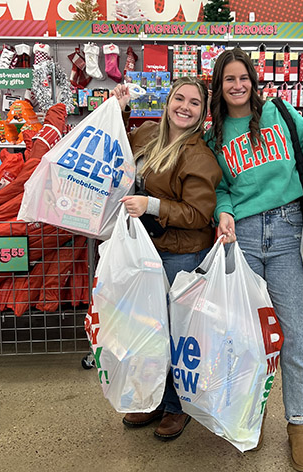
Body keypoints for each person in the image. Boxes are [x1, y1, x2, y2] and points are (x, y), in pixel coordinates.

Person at [206, 48, 303, 472]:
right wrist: (223, 210)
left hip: (287, 231)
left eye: (243, 77)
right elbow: (220, 187)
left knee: (295, 336)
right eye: (228, 79)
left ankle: (299, 424)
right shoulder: (213, 137)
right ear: (219, 85)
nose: (237, 85)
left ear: (253, 79)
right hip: (242, 236)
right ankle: (253, 411)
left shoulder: (281, 112)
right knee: (247, 338)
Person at [112, 77, 222, 441]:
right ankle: (154, 398)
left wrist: (152, 205)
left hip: (181, 254)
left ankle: (177, 408)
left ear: (203, 113)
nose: (184, 107)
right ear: (167, 101)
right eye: (179, 98)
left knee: (177, 335)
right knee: (148, 329)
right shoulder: (145, 133)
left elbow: (198, 214)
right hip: (145, 251)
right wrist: (119, 110)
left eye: (194, 103)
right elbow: (117, 153)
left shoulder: (198, 155)